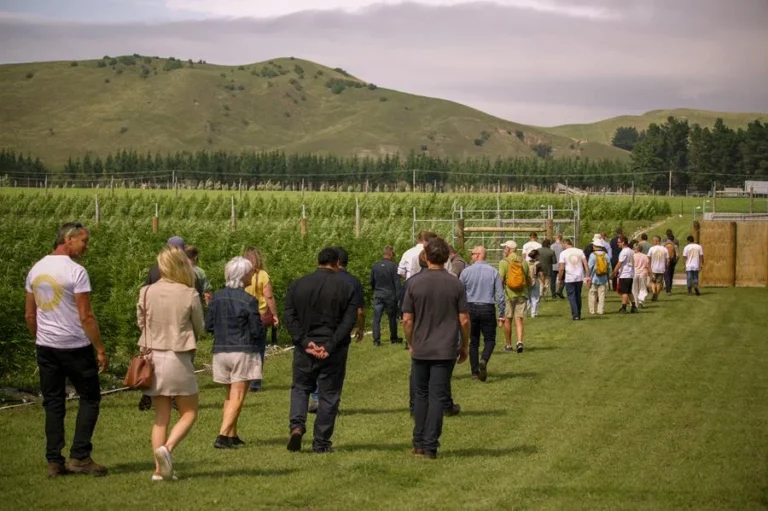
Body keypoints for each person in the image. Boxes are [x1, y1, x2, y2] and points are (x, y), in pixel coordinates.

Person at [25, 222, 109, 478]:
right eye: (84, 241)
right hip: (75, 345)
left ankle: (54, 460)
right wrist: (100, 349)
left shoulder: (36, 269)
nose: (86, 247)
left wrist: (41, 337)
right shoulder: (76, 272)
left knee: (53, 402)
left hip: (46, 347)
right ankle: (80, 456)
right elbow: (86, 316)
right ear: (69, 239)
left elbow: (30, 314)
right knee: (90, 397)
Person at [137, 246, 205, 481]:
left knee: (160, 417)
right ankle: (167, 449)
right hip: (178, 356)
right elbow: (200, 326)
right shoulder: (189, 293)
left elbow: (141, 322)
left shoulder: (145, 291)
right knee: (189, 412)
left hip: (152, 359)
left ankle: (159, 471)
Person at [284, 248, 357, 454]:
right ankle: (321, 442)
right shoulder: (345, 286)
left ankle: (297, 426)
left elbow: (289, 314)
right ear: (336, 263)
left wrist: (304, 341)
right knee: (329, 394)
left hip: (305, 348)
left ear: (318, 261)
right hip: (333, 349)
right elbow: (348, 321)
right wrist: (330, 345)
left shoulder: (299, 284)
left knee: (300, 388)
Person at [403, 236, 469, 459]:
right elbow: (464, 320)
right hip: (445, 348)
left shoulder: (413, 283)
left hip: (421, 347)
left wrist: (411, 342)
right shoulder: (455, 283)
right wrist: (465, 345)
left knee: (420, 395)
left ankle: (418, 441)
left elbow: (407, 320)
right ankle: (430, 444)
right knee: (437, 396)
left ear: (426, 256)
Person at [138, 236, 205, 411]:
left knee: (161, 413)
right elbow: (198, 322)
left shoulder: (151, 275)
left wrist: (148, 332)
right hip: (179, 342)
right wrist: (192, 335)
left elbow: (142, 317)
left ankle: (148, 392)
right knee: (189, 410)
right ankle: (175, 398)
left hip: (152, 342)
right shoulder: (190, 279)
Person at [206, 257, 265, 450]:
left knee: (229, 396)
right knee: (238, 396)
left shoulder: (217, 297)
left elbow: (209, 326)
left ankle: (232, 435)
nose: (252, 275)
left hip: (221, 351)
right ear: (242, 275)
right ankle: (222, 435)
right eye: (250, 272)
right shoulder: (249, 300)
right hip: (242, 350)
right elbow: (256, 330)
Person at [459, 246, 504, 382]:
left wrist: (460, 310)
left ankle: (474, 372)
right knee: (490, 339)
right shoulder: (493, 272)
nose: (471, 256)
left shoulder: (466, 272)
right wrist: (501, 313)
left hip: (471, 307)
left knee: (474, 341)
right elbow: (500, 295)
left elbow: (460, 293)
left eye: (472, 254)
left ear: (478, 255)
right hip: (487, 307)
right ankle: (484, 359)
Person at [243, 247, 280, 393]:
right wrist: (275, 314)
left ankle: (243, 377)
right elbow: (269, 297)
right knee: (258, 349)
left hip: (244, 314)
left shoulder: (242, 274)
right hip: (260, 315)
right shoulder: (263, 275)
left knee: (245, 347)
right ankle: (255, 382)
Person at [499, 240, 529, 352]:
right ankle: (520, 341)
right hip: (522, 293)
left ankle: (508, 345)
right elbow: (526, 278)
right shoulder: (523, 262)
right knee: (519, 319)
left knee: (508, 320)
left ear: (508, 249)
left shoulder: (504, 262)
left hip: (509, 294)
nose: (504, 250)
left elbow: (501, 280)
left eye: (504, 248)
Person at [370, 246, 402, 347]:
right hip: (390, 295)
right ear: (391, 254)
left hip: (378, 294)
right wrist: (399, 297)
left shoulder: (375, 266)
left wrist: (375, 290)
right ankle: (393, 338)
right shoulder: (393, 266)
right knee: (392, 318)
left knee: (376, 318)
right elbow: (397, 283)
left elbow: (372, 281)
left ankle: (376, 340)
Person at [557, 239, 590, 320]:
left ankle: (575, 315)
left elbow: (561, 268)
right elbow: (585, 263)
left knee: (572, 296)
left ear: (565, 243)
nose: (562, 246)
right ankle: (578, 313)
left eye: (562, 244)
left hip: (569, 277)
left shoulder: (563, 253)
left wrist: (559, 278)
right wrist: (587, 275)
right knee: (578, 295)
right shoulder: (580, 251)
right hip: (579, 277)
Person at [611, 235, 637, 314]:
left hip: (625, 274)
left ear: (623, 242)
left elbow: (620, 263)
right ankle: (633, 306)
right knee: (629, 292)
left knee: (624, 292)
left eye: (619, 242)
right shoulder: (631, 251)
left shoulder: (624, 252)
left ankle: (624, 307)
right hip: (630, 273)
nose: (617, 244)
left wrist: (614, 271)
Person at [587, 234, 612, 315]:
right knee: (601, 295)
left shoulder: (592, 255)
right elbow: (609, 267)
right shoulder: (606, 255)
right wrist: (609, 274)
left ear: (595, 246)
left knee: (592, 294)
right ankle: (600, 310)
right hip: (603, 277)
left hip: (594, 278)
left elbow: (590, 267)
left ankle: (592, 310)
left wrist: (588, 277)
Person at [647, 236, 669, 301]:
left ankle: (654, 292)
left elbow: (648, 258)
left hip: (653, 268)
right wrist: (666, 265)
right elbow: (668, 260)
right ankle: (656, 294)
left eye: (653, 240)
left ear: (657, 241)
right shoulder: (664, 249)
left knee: (652, 282)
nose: (652, 242)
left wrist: (649, 267)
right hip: (661, 268)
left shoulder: (652, 249)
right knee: (659, 282)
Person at [632, 241, 650, 308]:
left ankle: (636, 303)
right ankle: (641, 300)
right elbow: (647, 266)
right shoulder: (645, 256)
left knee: (634, 289)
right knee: (642, 288)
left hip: (635, 273)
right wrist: (649, 273)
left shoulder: (632, 256)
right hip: (643, 272)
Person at [527, 249, 542, 318]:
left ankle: (525, 311)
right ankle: (533, 313)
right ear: (536, 255)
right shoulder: (538, 263)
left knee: (528, 297)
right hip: (535, 280)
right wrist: (543, 282)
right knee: (535, 297)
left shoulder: (526, 263)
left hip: (527, 281)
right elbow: (541, 274)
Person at [663, 231, 679, 295]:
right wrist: (676, 262)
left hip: (666, 261)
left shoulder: (664, 246)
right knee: (671, 275)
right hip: (672, 261)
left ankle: (668, 289)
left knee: (666, 275)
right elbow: (677, 255)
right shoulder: (675, 246)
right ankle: (670, 288)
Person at [550, 234, 565, 298]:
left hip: (553, 265)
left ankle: (553, 294)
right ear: (561, 238)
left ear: (556, 238)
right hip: (561, 265)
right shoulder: (563, 246)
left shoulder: (552, 246)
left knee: (553, 281)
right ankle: (560, 291)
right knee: (563, 280)